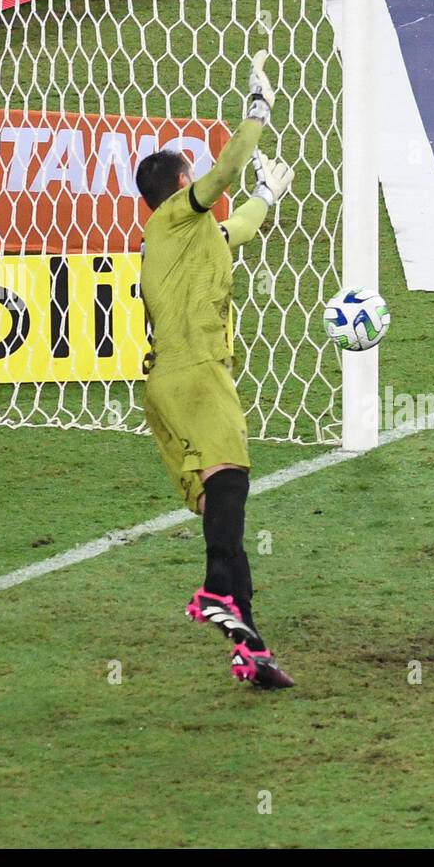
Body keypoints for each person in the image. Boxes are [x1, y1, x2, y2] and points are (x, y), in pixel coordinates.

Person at [134, 51, 295, 689]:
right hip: (198, 373)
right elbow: (225, 168)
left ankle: (250, 652)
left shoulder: (185, 240)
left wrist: (265, 195)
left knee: (220, 510)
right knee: (232, 486)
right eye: (190, 174)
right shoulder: (175, 217)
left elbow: (239, 228)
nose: (198, 179)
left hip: (166, 388)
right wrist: (256, 112)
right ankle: (214, 592)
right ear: (179, 187)